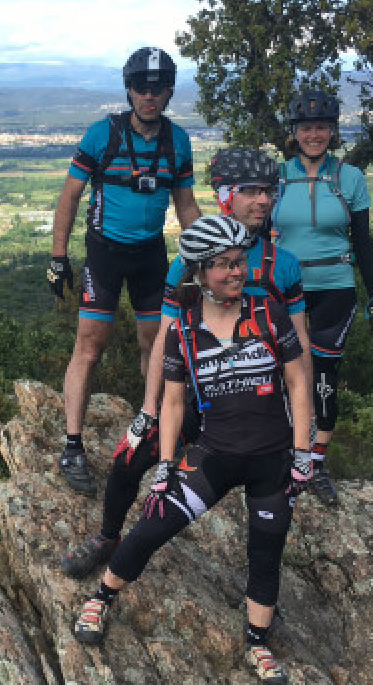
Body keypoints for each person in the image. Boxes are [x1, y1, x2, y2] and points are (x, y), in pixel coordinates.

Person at [71, 214, 313, 685]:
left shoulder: (268, 313)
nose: (236, 272)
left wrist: (303, 454)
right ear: (199, 272)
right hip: (214, 457)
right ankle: (102, 596)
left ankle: (257, 645)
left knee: (266, 552)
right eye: (224, 264)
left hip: (271, 460)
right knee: (152, 527)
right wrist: (165, 465)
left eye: (240, 262)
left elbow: (298, 382)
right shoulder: (182, 330)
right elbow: (174, 403)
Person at [60, 146, 310, 578]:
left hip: (261, 407)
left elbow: (300, 345)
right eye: (251, 191)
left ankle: (260, 590)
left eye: (268, 191)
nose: (263, 200)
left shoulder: (282, 265)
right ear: (225, 195)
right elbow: (165, 339)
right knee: (128, 457)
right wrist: (149, 410)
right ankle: (107, 537)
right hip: (198, 396)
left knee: (265, 514)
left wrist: (305, 429)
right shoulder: (190, 262)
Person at [47, 47, 201, 496]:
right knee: (89, 346)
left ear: (169, 92)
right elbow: (70, 195)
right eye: (141, 87)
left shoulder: (177, 141)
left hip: (151, 254)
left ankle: (152, 428)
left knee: (157, 344)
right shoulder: (103, 135)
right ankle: (72, 445)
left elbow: (186, 204)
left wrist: (205, 258)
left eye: (158, 87)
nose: (149, 95)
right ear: (129, 90)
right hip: (105, 254)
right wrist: (59, 257)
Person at [271, 90, 373, 507]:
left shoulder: (350, 178)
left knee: (323, 378)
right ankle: (286, 454)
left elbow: (363, 243)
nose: (314, 135)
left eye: (322, 127)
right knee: (282, 373)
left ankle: (317, 462)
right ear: (294, 132)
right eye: (306, 127)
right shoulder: (276, 177)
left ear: (333, 132)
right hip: (285, 288)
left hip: (335, 288)